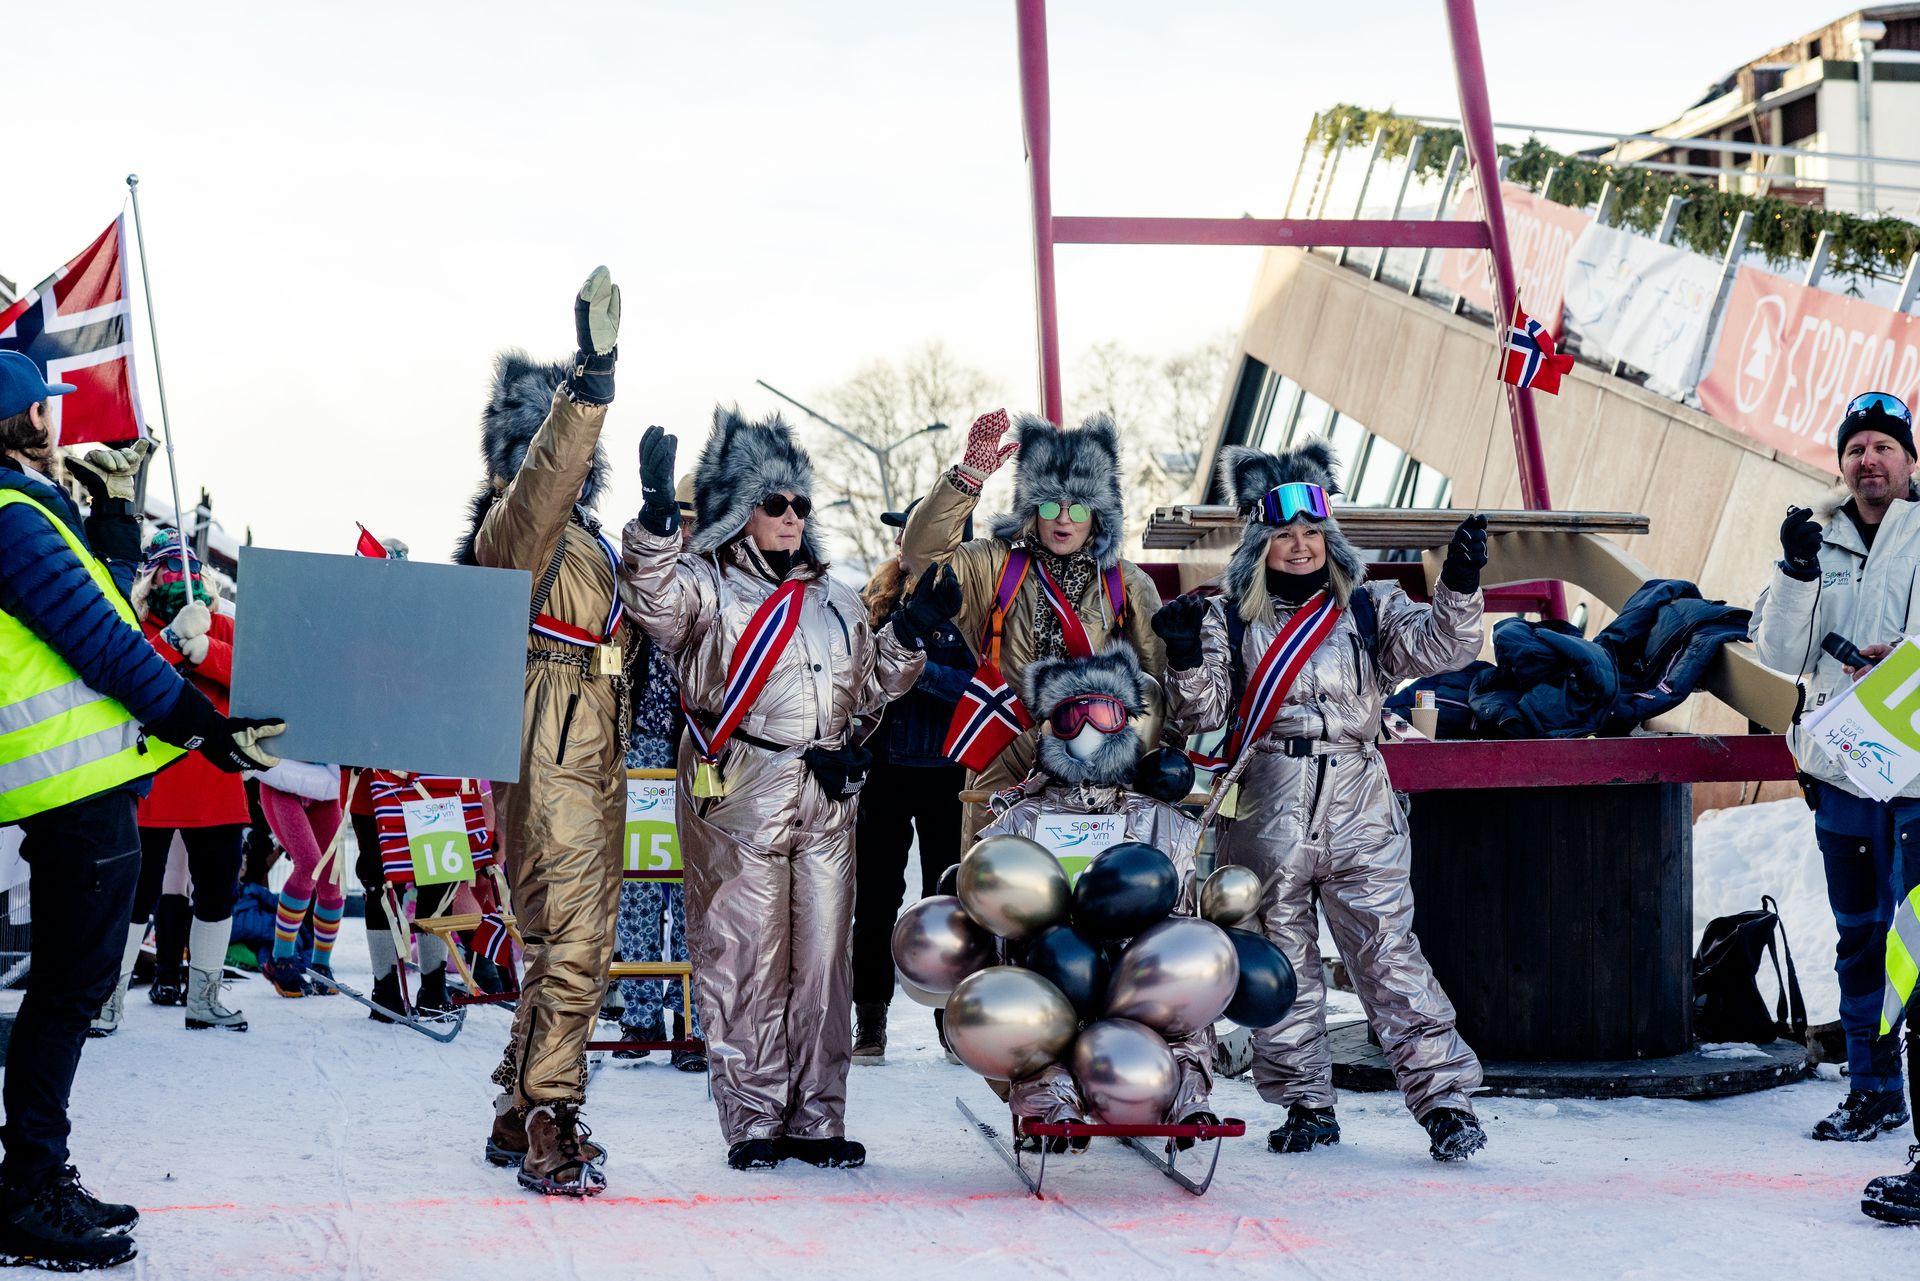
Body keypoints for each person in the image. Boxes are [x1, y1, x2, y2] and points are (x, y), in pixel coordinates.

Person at [0, 350, 284, 1269]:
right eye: (48, 408)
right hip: (72, 792)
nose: (61, 421)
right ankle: (28, 1190)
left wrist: (117, 516)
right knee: (67, 991)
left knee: (67, 989)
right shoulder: (11, 516)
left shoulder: (29, 512)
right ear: (23, 422)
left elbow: (104, 604)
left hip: (75, 790)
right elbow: (101, 641)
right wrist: (204, 725)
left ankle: (35, 1173)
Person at [620, 413, 951, 1171]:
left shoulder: (835, 599)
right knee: (744, 956)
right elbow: (652, 599)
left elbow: (869, 693)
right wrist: (655, 519)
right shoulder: (705, 587)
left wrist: (909, 633)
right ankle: (755, 1118)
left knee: (823, 963)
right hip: (739, 787)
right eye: (776, 502)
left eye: (800, 503)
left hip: (827, 794)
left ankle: (818, 1119)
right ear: (742, 508)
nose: (793, 516)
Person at [1154, 438, 1492, 1162]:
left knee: (1389, 954)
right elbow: (1203, 711)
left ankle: (1444, 1102)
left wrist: (1459, 581)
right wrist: (1183, 656)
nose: (1300, 546)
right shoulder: (1231, 618)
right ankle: (1305, 1101)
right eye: (1283, 534)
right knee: (1282, 960)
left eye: (1311, 532)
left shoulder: (1371, 607)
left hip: (1360, 796)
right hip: (1268, 797)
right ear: (1260, 544)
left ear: (1328, 537)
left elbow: (1443, 649)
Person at [460, 267, 627, 1197]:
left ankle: (517, 1103)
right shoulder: (513, 528)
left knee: (572, 936)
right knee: (569, 941)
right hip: (547, 736)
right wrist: (588, 383)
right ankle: (551, 1117)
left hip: (592, 741)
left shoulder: (586, 541)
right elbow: (544, 483)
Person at [1750, 390, 1920, 1143]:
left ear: (1910, 460)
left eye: (1883, 446)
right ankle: (1873, 1088)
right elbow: (1778, 653)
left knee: (1915, 946)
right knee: (1860, 936)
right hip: (1846, 771)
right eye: (1856, 448)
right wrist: (1794, 571)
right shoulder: (1816, 539)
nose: (1868, 459)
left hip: (1916, 776)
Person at [977, 644, 1217, 1149]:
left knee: (1181, 977)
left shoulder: (1161, 820)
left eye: (1103, 714)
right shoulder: (1020, 821)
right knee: (1032, 996)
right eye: (1069, 717)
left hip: (1135, 971)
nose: (1087, 729)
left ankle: (1186, 1095)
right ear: (1050, 728)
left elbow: (1178, 916)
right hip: (1053, 968)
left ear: (1125, 725)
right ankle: (1054, 1101)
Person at [901, 410, 1165, 845]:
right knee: (997, 892)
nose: (1063, 519)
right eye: (1048, 505)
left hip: (1096, 765)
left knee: (1089, 895)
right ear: (1031, 509)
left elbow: (1157, 687)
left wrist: (1150, 765)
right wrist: (967, 478)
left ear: (1098, 514)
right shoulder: (994, 565)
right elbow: (921, 554)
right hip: (1005, 750)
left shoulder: (1129, 583)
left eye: (1077, 507)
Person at [111, 534, 253, 1034]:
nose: (177, 582)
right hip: (152, 779)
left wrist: (205, 649)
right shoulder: (131, 625)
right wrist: (171, 643)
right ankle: (109, 1000)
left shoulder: (227, 627)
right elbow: (125, 681)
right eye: (166, 572)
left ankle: (205, 999)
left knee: (217, 893)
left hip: (214, 778)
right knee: (133, 895)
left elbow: (253, 681)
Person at [849, 496, 974, 1064]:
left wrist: (915, 667)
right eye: (903, 534)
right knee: (874, 902)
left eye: (919, 534)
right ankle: (869, 1022)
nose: (908, 545)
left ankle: (953, 1024)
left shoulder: (976, 605)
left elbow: (977, 689)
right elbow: (857, 679)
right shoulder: (872, 602)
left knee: (951, 904)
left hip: (953, 776)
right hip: (884, 774)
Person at [613, 472, 705, 1072]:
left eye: (696, 517)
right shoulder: (642, 579)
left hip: (700, 749)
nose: (687, 528)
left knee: (693, 885)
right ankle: (641, 1013)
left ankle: (691, 1017)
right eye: (680, 516)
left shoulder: (721, 584)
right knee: (643, 880)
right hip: (646, 747)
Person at [255, 759, 347, 997]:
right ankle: (281, 960)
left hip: (324, 785)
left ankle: (320, 965)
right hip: (282, 780)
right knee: (308, 865)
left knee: (331, 879)